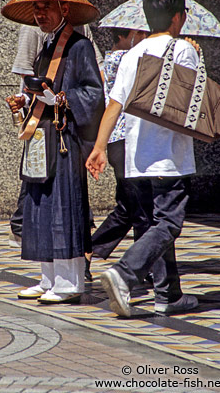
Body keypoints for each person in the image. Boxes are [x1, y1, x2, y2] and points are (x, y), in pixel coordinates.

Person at [86, 0, 199, 317]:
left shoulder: (133, 53)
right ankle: (125, 272)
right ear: (179, 17)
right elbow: (191, 100)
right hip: (169, 156)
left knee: (154, 225)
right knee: (169, 224)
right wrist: (196, 54)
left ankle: (168, 295)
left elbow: (114, 105)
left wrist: (100, 146)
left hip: (136, 155)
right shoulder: (183, 50)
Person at [4, 0, 104, 304]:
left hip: (64, 139)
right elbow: (39, 92)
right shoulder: (46, 47)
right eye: (36, 8)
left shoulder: (80, 46)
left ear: (64, 8)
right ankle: (47, 277)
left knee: (63, 207)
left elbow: (93, 93)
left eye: (45, 7)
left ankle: (69, 281)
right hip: (41, 138)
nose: (40, 14)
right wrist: (25, 102)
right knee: (40, 208)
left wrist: (61, 99)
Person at [85, 28, 151, 279]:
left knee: (130, 207)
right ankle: (140, 266)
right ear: (126, 35)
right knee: (140, 207)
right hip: (123, 141)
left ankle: (89, 253)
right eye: (140, 33)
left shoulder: (123, 57)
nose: (144, 37)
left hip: (122, 142)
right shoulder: (122, 58)